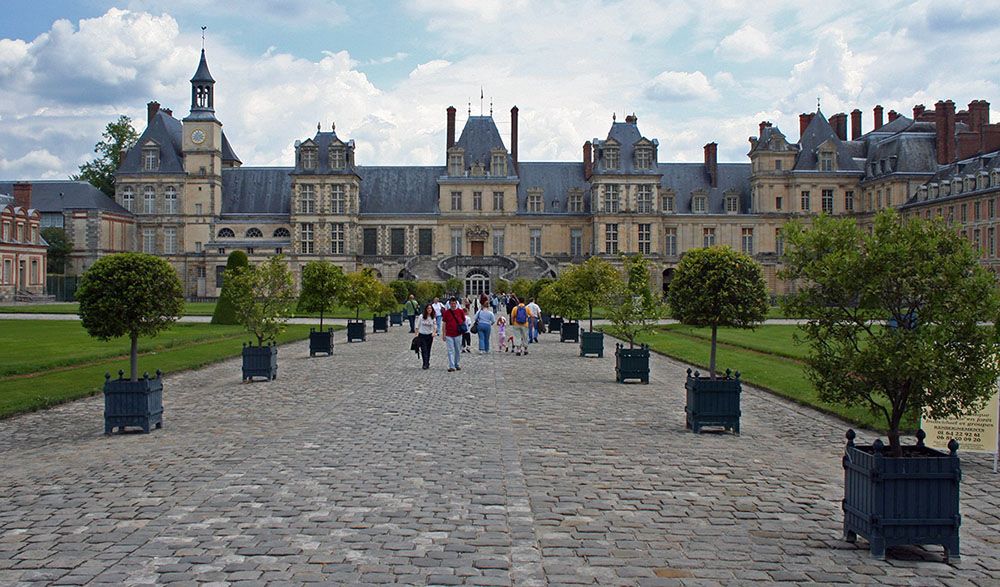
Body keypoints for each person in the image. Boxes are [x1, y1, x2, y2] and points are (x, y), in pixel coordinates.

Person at [440, 296, 467, 372]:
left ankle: (457, 364)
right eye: (451, 303)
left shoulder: (460, 311)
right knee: (450, 350)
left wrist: (463, 330)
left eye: (454, 303)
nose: (453, 305)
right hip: (449, 334)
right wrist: (444, 334)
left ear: (456, 303)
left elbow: (463, 321)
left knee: (457, 350)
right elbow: (444, 323)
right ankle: (451, 365)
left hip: (458, 334)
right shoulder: (446, 313)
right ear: (449, 304)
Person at [414, 304, 436, 370]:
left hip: (429, 336)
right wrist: (416, 334)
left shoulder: (433, 318)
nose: (429, 310)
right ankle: (425, 364)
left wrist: (434, 333)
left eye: (430, 309)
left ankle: (427, 362)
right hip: (422, 335)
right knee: (424, 350)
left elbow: (435, 327)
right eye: (428, 308)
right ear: (426, 310)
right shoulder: (421, 316)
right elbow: (417, 325)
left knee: (428, 350)